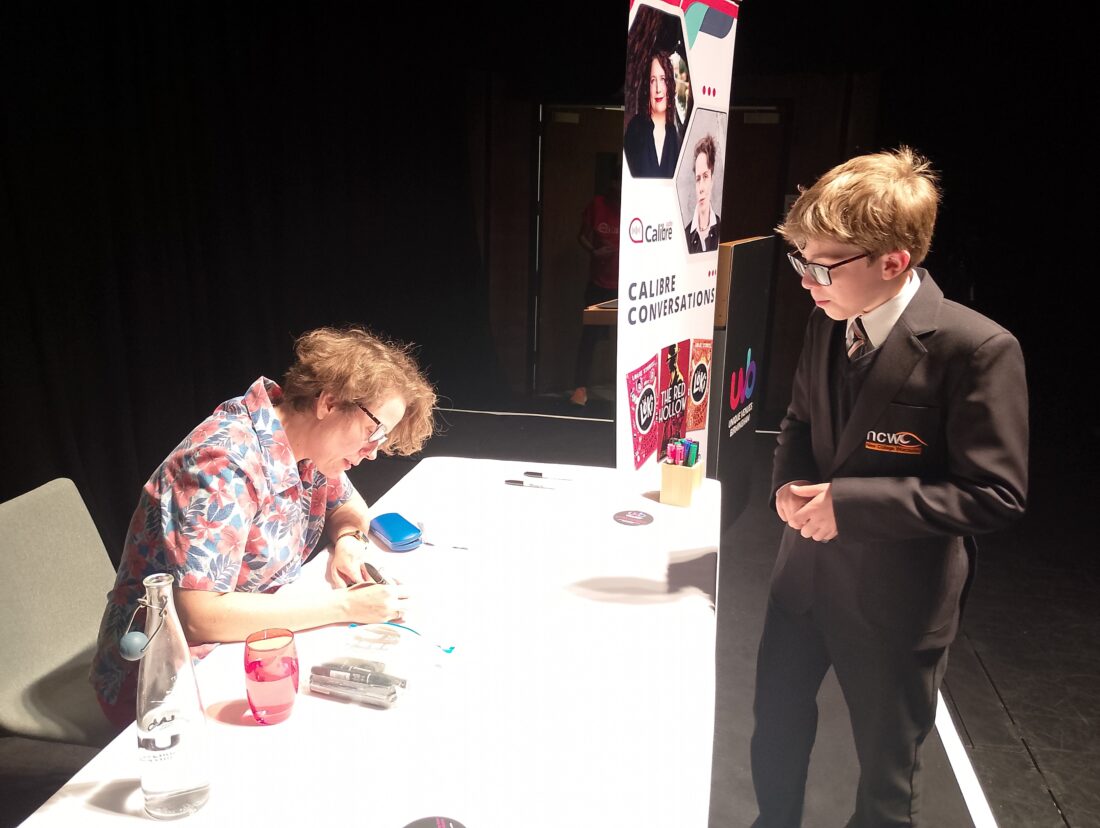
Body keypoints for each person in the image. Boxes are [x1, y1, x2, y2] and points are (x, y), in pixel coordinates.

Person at [750, 148, 1028, 827]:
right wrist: (787, 486)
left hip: (896, 604)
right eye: (799, 260)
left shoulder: (977, 349)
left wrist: (850, 506)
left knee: (885, 780)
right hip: (802, 583)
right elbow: (800, 419)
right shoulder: (827, 319)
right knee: (774, 732)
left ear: (893, 260)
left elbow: (995, 494)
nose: (807, 280)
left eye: (822, 264)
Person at [90, 326, 436, 728]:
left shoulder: (305, 446)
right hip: (164, 679)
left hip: (249, 644)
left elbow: (350, 508)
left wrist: (347, 542)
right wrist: (345, 606)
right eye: (373, 432)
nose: (374, 451)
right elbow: (201, 616)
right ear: (329, 402)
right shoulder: (222, 463)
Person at [569, 174, 620, 407]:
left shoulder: (635, 205)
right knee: (589, 337)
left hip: (626, 287)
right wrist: (594, 251)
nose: (617, 190)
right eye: (615, 184)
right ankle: (580, 388)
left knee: (625, 340)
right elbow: (581, 236)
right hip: (598, 283)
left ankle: (627, 388)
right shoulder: (597, 205)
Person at [623, 51, 680, 179]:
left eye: (663, 79)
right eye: (653, 81)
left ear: (669, 85)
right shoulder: (635, 127)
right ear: (647, 87)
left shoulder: (672, 133)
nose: (658, 88)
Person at [685, 134, 721, 253]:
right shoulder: (685, 236)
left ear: (712, 179)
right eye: (698, 179)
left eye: (705, 176)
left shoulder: (721, 229)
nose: (701, 188)